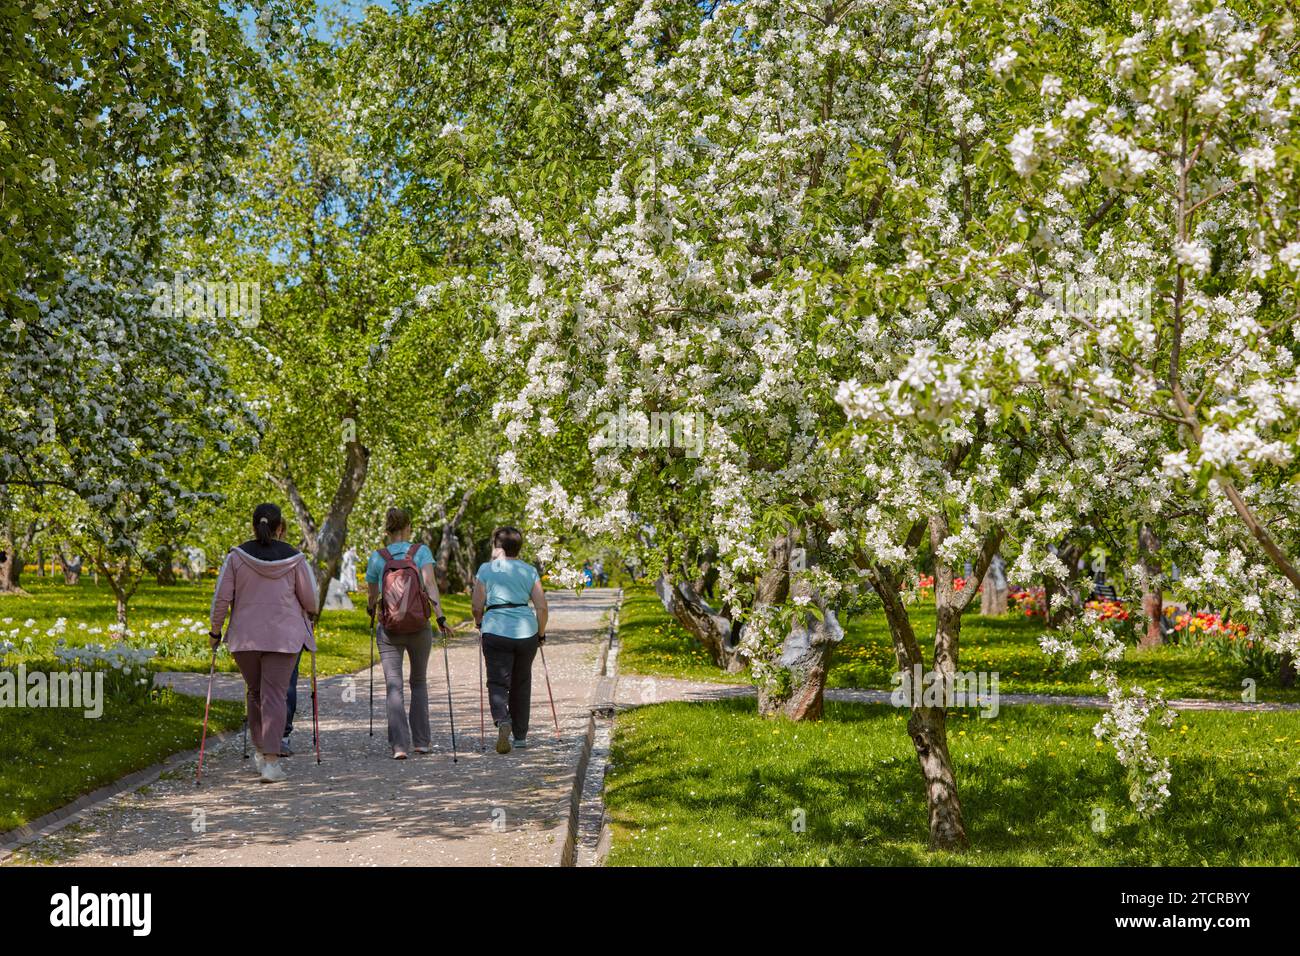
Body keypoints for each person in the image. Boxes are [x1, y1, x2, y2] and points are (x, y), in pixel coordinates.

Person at [209, 503, 317, 784]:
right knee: (274, 695)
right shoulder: (295, 559)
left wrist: (215, 631)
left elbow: (222, 598)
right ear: (280, 527)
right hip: (284, 637)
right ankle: (271, 762)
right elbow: (311, 600)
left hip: (245, 638)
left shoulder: (236, 557)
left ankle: (260, 751)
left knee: (256, 693)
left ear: (254, 525)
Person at [365, 507, 451, 759]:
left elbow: (372, 595)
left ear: (387, 530)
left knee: (394, 685)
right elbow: (430, 585)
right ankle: (422, 742)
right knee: (419, 682)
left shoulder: (377, 557)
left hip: (390, 628)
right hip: (418, 626)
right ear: (408, 527)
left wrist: (371, 610)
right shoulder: (420, 552)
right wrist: (440, 617)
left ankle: (399, 746)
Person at [473, 526, 549, 754]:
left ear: (497, 546)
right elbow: (542, 606)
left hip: (495, 628)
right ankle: (521, 736)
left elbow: (477, 605)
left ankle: (502, 719)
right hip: (526, 631)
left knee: (497, 682)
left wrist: (479, 622)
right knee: (521, 682)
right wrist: (541, 633)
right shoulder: (529, 570)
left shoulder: (487, 569)